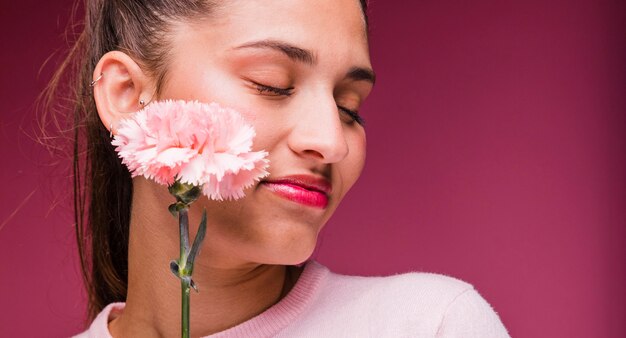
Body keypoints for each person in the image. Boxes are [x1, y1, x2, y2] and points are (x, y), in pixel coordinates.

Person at [45, 0, 510, 336]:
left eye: (349, 107)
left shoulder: (431, 325)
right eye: (272, 85)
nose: (330, 143)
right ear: (127, 95)